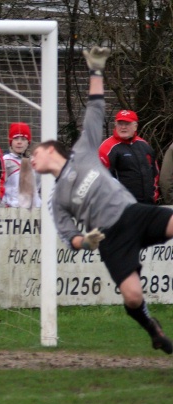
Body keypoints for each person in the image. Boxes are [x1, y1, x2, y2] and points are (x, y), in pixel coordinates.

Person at [31, 46, 173, 355]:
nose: (32, 159)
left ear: (51, 150)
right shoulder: (57, 201)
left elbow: (95, 109)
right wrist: (87, 241)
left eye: (35, 152)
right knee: (133, 297)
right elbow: (70, 237)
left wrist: (96, 71)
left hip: (133, 214)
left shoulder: (83, 150)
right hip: (111, 239)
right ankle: (153, 329)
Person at [98, 109, 159, 204]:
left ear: (135, 126)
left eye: (127, 124)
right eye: (120, 124)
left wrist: (153, 195)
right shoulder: (106, 148)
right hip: (122, 207)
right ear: (115, 125)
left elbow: (154, 172)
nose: (123, 127)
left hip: (147, 205)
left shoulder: (144, 145)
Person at [2, 122, 41, 208]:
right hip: (12, 209)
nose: (19, 142)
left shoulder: (35, 162)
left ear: (28, 142)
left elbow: (38, 185)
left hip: (34, 209)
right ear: (11, 141)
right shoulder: (5, 160)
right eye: (16, 139)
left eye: (23, 139)